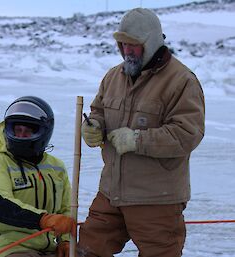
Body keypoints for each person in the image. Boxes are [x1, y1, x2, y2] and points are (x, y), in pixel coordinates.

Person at [78, 8, 205, 257]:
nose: (127, 51)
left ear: (152, 43)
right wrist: (94, 126)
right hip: (111, 193)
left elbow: (187, 134)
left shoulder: (181, 81)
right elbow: (98, 111)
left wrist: (137, 140)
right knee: (86, 251)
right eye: (122, 44)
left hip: (156, 200)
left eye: (133, 45)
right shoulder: (113, 76)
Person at [0, 96, 76, 257]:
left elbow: (66, 210)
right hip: (6, 246)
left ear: (43, 132)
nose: (21, 136)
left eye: (28, 131)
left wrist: (65, 240)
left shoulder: (56, 167)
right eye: (17, 130)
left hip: (47, 247)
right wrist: (43, 219)